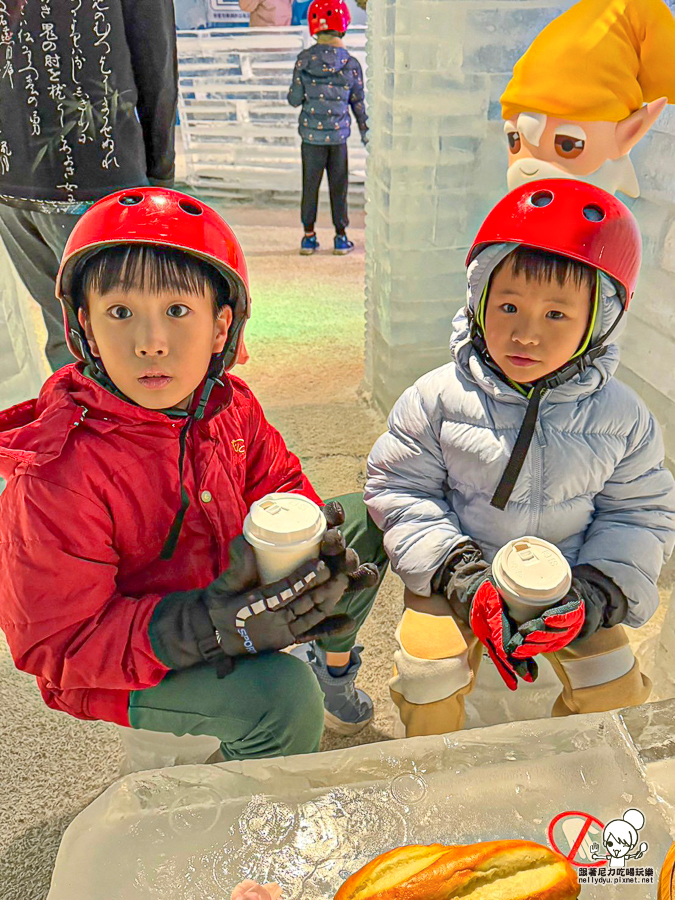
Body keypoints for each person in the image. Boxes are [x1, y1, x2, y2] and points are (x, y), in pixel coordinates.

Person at [0, 188, 386, 760]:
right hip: (128, 652)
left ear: (220, 326)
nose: (151, 343)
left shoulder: (228, 404)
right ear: (85, 325)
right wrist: (206, 628)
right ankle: (224, 811)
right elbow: (59, 642)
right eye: (120, 313)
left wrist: (313, 557)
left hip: (223, 594)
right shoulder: (60, 471)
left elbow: (278, 486)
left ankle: (331, 668)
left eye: (178, 311)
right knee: (282, 700)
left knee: (356, 521)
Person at [365, 179, 675, 738]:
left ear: (598, 322)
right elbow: (400, 490)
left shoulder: (623, 417)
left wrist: (598, 592)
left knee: (614, 687)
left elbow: (640, 513)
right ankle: (433, 778)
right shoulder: (437, 397)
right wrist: (456, 574)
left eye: (557, 315)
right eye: (508, 305)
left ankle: (574, 776)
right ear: (479, 298)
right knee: (427, 674)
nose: (526, 333)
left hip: (570, 581)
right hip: (458, 573)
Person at [0, 1, 178, 372]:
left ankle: (79, 424)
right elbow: (155, 59)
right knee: (132, 342)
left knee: (66, 335)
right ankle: (123, 429)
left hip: (10, 178)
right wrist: (161, 175)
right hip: (102, 178)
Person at [287, 0, 367, 256]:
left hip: (311, 138)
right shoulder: (352, 64)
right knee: (339, 187)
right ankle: (341, 237)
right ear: (343, 25)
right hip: (338, 139)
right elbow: (359, 105)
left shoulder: (303, 60)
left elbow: (294, 99)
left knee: (309, 185)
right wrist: (367, 134)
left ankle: (308, 237)